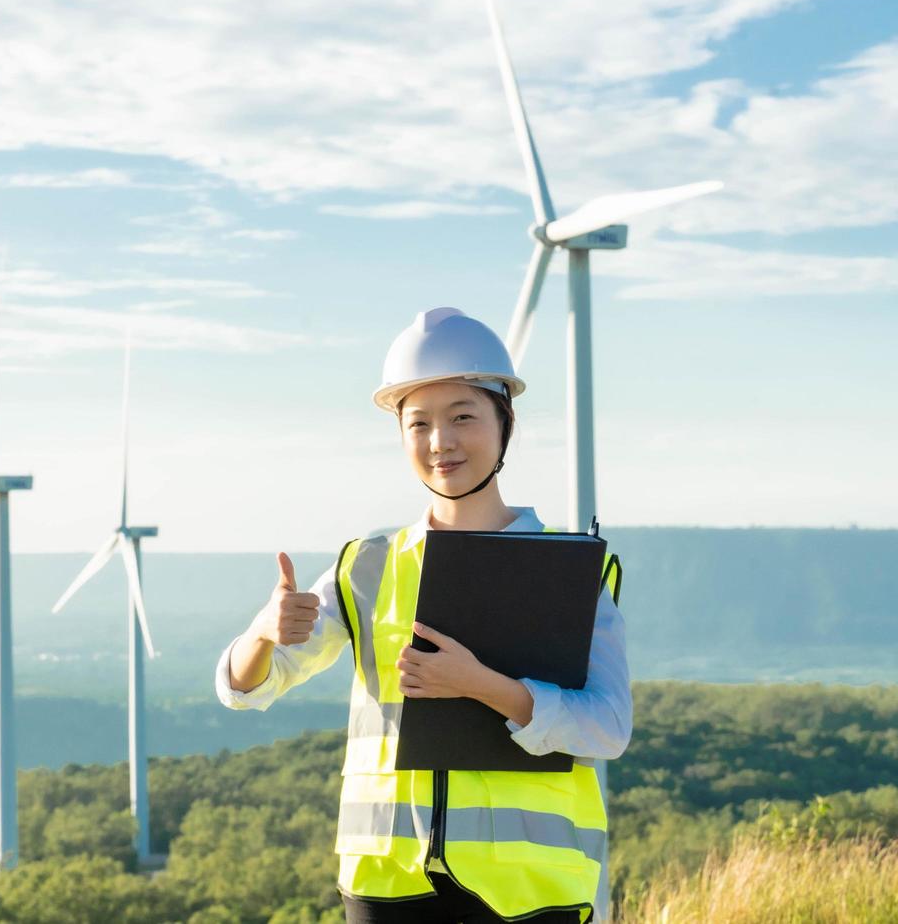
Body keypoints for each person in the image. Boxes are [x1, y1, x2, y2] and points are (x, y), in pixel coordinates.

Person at [215, 307, 632, 924]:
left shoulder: (573, 572)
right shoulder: (367, 567)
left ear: (504, 422)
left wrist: (481, 687)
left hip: (529, 892)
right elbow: (246, 689)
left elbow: (607, 727)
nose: (441, 442)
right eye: (419, 424)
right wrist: (262, 633)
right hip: (386, 884)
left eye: (463, 416)